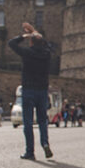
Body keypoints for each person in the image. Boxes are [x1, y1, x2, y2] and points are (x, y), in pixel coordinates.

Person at [8, 22, 54, 160]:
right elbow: (49, 46)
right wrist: (35, 32)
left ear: (31, 43)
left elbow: (11, 43)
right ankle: (45, 143)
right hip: (42, 90)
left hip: (28, 90)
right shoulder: (46, 54)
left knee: (27, 122)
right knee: (42, 121)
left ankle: (30, 151)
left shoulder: (27, 53)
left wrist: (25, 35)